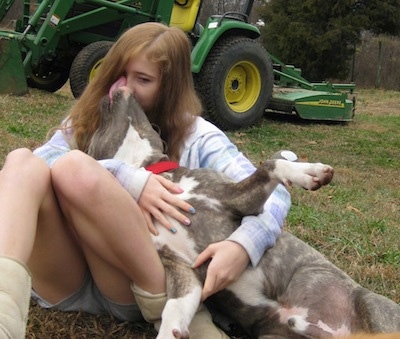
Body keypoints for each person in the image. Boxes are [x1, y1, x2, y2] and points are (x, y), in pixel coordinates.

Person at [0, 22, 291, 337]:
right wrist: (130, 180)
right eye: (120, 75)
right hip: (68, 273)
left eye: (143, 79)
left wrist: (244, 245)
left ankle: (185, 318)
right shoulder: (90, 119)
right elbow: (46, 160)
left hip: (138, 283)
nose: (125, 88)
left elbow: (276, 194)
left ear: (170, 86)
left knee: (76, 169)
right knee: (22, 160)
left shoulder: (197, 135)